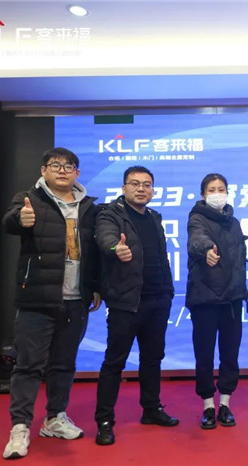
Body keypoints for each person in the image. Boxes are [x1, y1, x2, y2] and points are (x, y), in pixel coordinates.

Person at [2, 147, 101, 459]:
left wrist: (95, 286)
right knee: (28, 365)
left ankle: (55, 418)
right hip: (37, 297)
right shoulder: (29, 199)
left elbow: (94, 252)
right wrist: (20, 218)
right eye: (55, 165)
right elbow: (9, 222)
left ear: (77, 173)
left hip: (76, 299)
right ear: (43, 170)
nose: (62, 170)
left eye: (69, 166)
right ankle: (20, 427)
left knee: (64, 364)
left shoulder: (89, 207)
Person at [94, 166, 178, 446]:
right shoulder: (109, 214)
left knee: (152, 359)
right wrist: (115, 248)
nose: (141, 189)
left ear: (152, 190)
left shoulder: (154, 217)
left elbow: (161, 257)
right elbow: (106, 239)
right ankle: (105, 421)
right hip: (126, 302)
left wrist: (167, 292)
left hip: (158, 299)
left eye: (147, 184)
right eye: (135, 184)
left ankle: (151, 409)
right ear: (124, 188)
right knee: (114, 362)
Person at [186, 173, 248, 430]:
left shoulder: (234, 222)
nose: (217, 193)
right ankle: (208, 406)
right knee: (204, 355)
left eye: (221, 189)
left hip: (232, 299)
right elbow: (197, 240)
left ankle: (225, 403)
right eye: (212, 189)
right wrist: (207, 250)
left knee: (230, 354)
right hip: (205, 298)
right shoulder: (196, 218)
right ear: (203, 194)